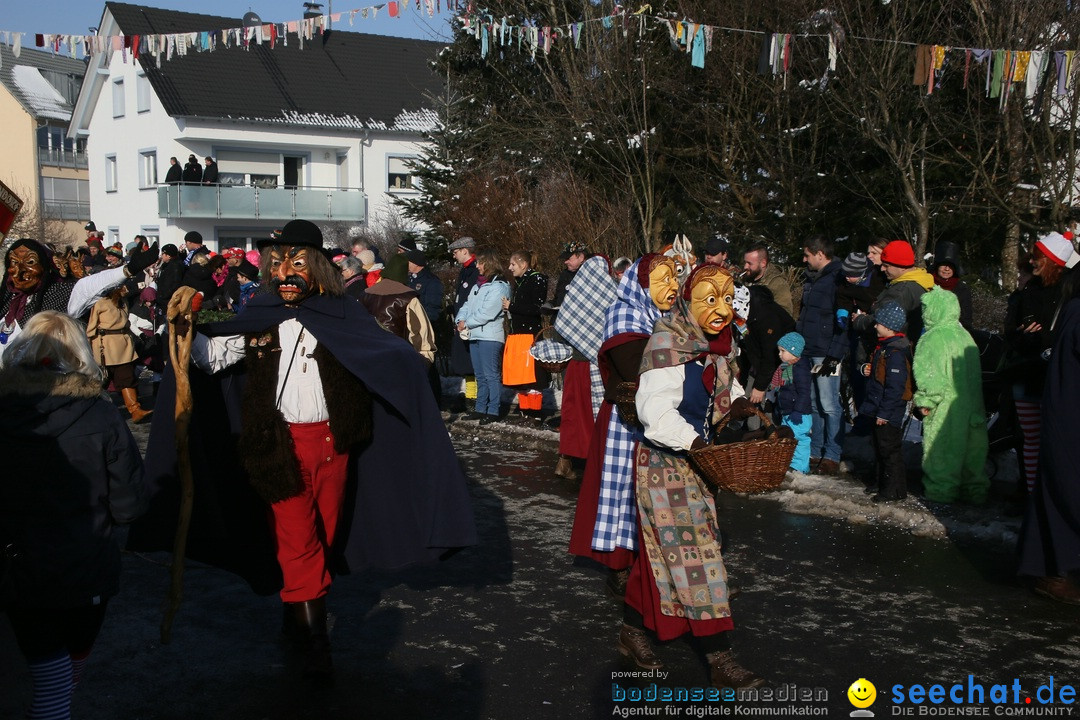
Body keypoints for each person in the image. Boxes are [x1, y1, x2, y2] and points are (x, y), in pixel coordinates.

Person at [129, 219, 477, 677]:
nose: (286, 271)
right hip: (276, 446)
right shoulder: (258, 316)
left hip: (335, 446)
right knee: (297, 539)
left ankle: (294, 615)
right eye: (279, 263)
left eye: (297, 262)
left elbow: (381, 354)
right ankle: (317, 647)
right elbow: (214, 356)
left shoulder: (343, 314)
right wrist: (185, 327)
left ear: (317, 267)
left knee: (323, 539)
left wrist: (409, 374)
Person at [0, 311, 148, 720]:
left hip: (19, 564)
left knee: (51, 674)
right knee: (58, 682)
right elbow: (129, 502)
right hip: (84, 561)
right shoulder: (100, 415)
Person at [626, 263, 761, 688]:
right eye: (709, 299)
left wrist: (735, 407)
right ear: (687, 301)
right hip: (666, 463)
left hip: (697, 464)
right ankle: (719, 657)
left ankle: (631, 630)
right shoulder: (667, 345)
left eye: (726, 298)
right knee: (698, 559)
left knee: (661, 557)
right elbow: (655, 413)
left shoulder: (717, 346)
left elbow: (723, 389)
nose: (720, 309)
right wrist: (697, 443)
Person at [569, 254, 677, 624]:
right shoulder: (624, 315)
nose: (672, 288)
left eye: (674, 279)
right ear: (641, 284)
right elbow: (637, 368)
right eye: (662, 280)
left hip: (662, 418)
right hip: (626, 420)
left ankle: (658, 565)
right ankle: (620, 565)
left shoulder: (670, 319)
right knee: (623, 492)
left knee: (658, 493)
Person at [1017, 280, 1080, 604]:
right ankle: (1054, 573)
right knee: (1066, 495)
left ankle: (1051, 570)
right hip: (1070, 419)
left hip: (1065, 416)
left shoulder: (1072, 308)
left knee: (1059, 492)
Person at [1000, 232, 1071, 495]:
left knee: (1054, 439)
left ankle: (1050, 496)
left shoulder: (1070, 290)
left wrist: (1046, 339)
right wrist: (1021, 335)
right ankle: (1031, 494)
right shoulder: (1029, 290)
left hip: (1055, 375)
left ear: (1052, 260)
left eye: (1037, 257)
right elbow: (1010, 331)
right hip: (1026, 371)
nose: (1032, 261)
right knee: (1030, 439)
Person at [1, 238, 159, 346]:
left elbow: (91, 286)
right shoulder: (6, 297)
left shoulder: (61, 293)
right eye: (14, 262)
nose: (20, 271)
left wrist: (127, 270)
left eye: (29, 262)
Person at [912, 288, 989, 504]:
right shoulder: (966, 336)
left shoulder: (932, 339)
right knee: (972, 453)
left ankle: (941, 493)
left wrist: (926, 401)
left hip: (946, 407)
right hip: (972, 405)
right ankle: (975, 492)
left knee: (943, 451)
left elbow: (930, 375)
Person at [553, 254, 617, 479]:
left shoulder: (575, 296)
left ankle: (565, 462)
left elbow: (560, 329)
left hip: (575, 366)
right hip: (595, 368)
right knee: (595, 416)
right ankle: (596, 466)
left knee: (572, 414)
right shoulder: (610, 295)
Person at [797, 236, 848, 476]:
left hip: (826, 352)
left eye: (807, 255)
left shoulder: (836, 279)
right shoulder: (813, 280)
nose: (804, 260)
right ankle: (816, 450)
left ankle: (832, 454)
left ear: (820, 254)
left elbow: (842, 321)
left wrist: (835, 354)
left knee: (829, 404)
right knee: (815, 404)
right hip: (809, 349)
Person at [858, 302, 913, 502]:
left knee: (890, 451)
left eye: (878, 323)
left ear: (889, 327)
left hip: (888, 411)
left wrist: (884, 413)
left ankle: (894, 490)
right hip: (878, 407)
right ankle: (881, 483)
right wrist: (867, 368)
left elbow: (895, 388)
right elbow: (880, 375)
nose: (875, 326)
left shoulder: (896, 352)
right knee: (881, 448)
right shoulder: (885, 347)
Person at [455, 250, 511, 424]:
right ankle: (481, 408)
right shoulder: (478, 285)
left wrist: (467, 323)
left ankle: (493, 410)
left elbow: (488, 313)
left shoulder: (499, 286)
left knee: (491, 374)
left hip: (490, 336)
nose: (477, 266)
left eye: (480, 263)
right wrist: (460, 319)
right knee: (480, 375)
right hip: (475, 335)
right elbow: (466, 305)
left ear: (489, 264)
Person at [87, 279, 153, 423]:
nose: (125, 288)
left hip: (122, 345)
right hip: (106, 346)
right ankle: (90, 412)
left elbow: (126, 323)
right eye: (122, 286)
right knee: (100, 381)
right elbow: (91, 327)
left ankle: (135, 410)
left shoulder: (122, 302)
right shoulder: (100, 303)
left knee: (126, 377)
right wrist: (90, 345)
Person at [853, 240, 934, 345]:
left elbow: (884, 322)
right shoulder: (921, 281)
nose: (882, 269)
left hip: (891, 350)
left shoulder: (900, 292)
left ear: (902, 267)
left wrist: (860, 320)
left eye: (886, 265)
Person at [363, 254, 436, 365]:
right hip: (398, 358)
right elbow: (420, 332)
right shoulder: (408, 298)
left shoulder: (364, 294)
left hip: (368, 357)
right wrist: (426, 358)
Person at [502, 250, 548, 413]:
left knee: (532, 376)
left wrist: (512, 307)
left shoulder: (536, 279)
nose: (510, 267)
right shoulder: (519, 281)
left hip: (529, 335)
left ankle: (534, 413)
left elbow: (537, 308)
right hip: (517, 334)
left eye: (513, 264)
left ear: (523, 264)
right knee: (520, 377)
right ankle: (525, 411)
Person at [772, 332, 813, 473]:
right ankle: (790, 464)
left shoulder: (800, 369)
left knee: (799, 440)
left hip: (799, 414)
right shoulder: (786, 368)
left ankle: (800, 468)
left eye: (783, 351)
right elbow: (783, 391)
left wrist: (798, 410)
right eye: (779, 351)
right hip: (787, 412)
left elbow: (804, 392)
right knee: (788, 439)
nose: (779, 354)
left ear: (794, 351)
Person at [448, 237, 479, 409]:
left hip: (470, 322)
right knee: (466, 363)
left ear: (465, 251)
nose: (454, 256)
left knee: (471, 362)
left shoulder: (475, 271)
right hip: (461, 321)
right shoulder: (465, 271)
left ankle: (474, 398)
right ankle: (470, 396)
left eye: (456, 252)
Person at [930, 241, 973, 331]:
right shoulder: (927, 284)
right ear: (937, 266)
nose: (946, 269)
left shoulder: (962, 290)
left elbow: (966, 320)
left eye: (951, 266)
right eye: (943, 265)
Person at [742, 242, 794, 318]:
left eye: (749, 263)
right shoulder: (746, 280)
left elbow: (785, 314)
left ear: (763, 263)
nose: (745, 267)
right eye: (745, 262)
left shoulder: (777, 283)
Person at [406, 249, 443, 323]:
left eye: (408, 262)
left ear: (415, 263)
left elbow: (433, 308)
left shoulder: (431, 281)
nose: (406, 264)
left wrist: (421, 322)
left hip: (423, 324)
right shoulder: (410, 278)